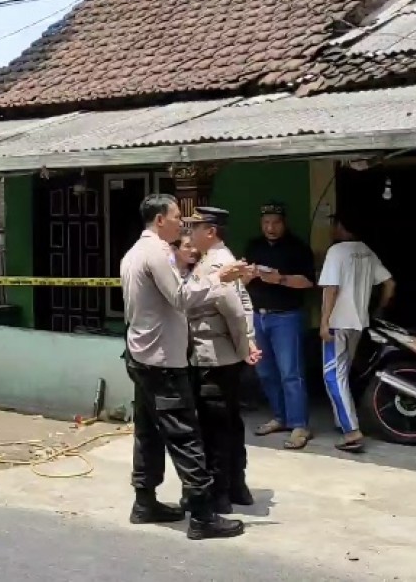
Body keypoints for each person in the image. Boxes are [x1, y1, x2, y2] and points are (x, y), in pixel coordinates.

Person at [121, 193, 249, 541]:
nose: (183, 224)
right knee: (185, 436)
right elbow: (181, 297)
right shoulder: (158, 253)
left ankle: (144, 501)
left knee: (148, 434)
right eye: (178, 217)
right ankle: (203, 515)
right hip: (162, 361)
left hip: (142, 355)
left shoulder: (134, 252)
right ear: (160, 220)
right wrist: (219, 278)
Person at [183, 206, 260, 512]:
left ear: (210, 231)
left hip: (213, 357)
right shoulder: (217, 261)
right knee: (228, 423)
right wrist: (247, 345)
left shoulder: (218, 262)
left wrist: (244, 348)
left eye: (195, 228)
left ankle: (220, 494)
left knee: (214, 427)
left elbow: (235, 310)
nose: (190, 234)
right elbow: (244, 301)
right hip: (220, 356)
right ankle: (236, 486)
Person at [318, 213, 396, 453]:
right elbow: (390, 283)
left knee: (333, 376)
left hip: (338, 322)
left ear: (340, 226)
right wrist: (379, 309)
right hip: (358, 322)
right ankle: (343, 421)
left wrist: (323, 322)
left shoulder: (337, 252)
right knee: (343, 372)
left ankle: (351, 431)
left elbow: (331, 288)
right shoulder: (366, 251)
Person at [244, 201, 316, 450]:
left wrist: (280, 278)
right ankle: (279, 417)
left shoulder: (297, 248)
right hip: (258, 316)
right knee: (265, 372)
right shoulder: (254, 246)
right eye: (266, 223)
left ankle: (299, 425)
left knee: (290, 373)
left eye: (275, 223)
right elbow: (240, 281)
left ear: (284, 223)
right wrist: (247, 275)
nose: (270, 228)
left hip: (286, 317)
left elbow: (308, 282)